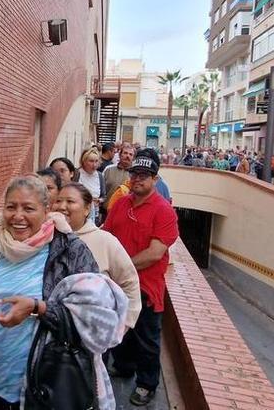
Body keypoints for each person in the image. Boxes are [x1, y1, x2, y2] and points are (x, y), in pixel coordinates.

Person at [0, 175, 99, 409]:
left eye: (28, 208)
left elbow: (92, 313)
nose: (18, 216)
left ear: (46, 210)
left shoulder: (69, 250)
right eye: (11, 207)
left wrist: (38, 308)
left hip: (47, 381)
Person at [104, 154, 179, 407]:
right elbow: (106, 235)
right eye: (134, 174)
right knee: (121, 330)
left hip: (146, 287)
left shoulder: (164, 210)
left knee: (147, 338)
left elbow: (155, 254)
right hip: (118, 284)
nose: (137, 179)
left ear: (155, 179)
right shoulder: (121, 204)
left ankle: (147, 384)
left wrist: (120, 268)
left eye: (144, 176)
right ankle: (124, 367)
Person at [53, 182, 141, 330]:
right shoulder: (47, 238)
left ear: (87, 209)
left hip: (91, 338)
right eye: (58, 201)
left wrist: (121, 327)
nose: (62, 206)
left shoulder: (106, 241)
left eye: (70, 201)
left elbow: (130, 284)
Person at [73, 147, 106, 222]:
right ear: (84, 161)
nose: (94, 165)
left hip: (94, 215)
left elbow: (104, 196)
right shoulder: (77, 174)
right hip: (78, 213)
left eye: (96, 161)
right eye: (91, 161)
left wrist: (99, 200)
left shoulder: (100, 176)